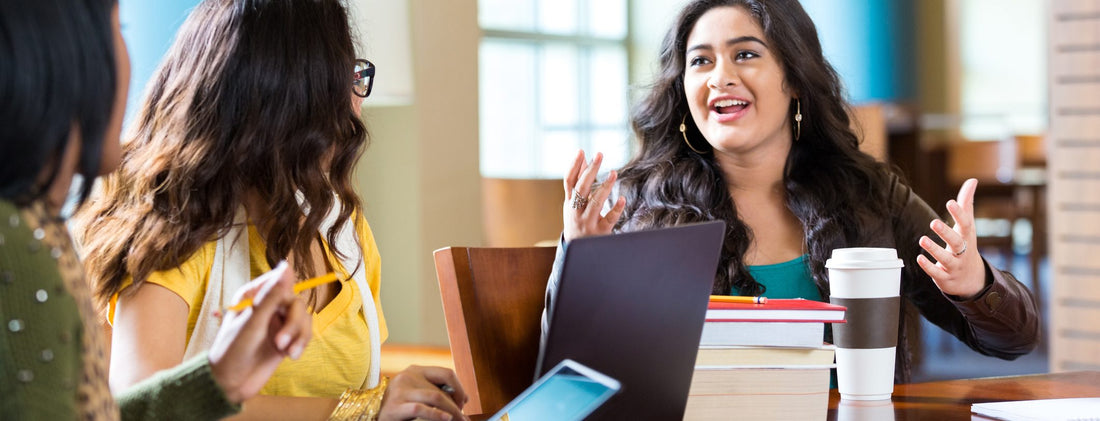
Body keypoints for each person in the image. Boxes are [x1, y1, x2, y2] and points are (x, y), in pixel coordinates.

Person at [542, 0, 1040, 383]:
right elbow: (572, 377)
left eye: (745, 54)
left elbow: (1015, 342)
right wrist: (583, 265)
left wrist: (977, 284)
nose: (721, 77)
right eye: (700, 61)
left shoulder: (870, 196)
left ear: (795, 79)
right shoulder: (638, 206)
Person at [76, 0, 468, 420]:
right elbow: (139, 404)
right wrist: (360, 410)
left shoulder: (342, 228)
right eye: (350, 76)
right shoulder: (173, 228)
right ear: (294, 97)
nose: (358, 104)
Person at [0, 0, 314, 419]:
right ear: (63, 53)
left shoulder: (35, 228)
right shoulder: (18, 243)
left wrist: (219, 381)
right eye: (119, 28)